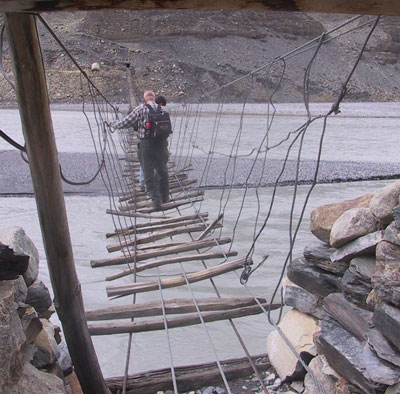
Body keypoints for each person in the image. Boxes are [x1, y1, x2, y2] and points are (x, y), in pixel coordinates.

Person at [111, 90, 169, 209]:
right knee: (162, 170)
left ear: (144, 99)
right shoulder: (163, 109)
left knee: (148, 173)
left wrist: (113, 125)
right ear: (155, 98)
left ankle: (156, 200)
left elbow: (126, 122)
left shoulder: (141, 108)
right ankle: (164, 196)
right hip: (162, 145)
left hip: (147, 145)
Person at [139, 95, 168, 191]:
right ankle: (152, 184)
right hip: (159, 143)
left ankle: (143, 184)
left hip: (145, 142)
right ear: (160, 103)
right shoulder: (162, 112)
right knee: (156, 163)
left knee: (145, 162)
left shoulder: (142, 109)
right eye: (162, 105)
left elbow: (133, 124)